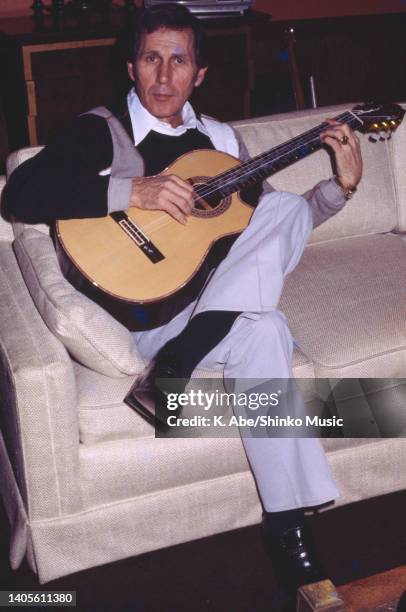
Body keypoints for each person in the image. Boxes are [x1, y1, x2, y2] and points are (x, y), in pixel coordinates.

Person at [2, 4, 362, 596]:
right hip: (145, 317)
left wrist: (337, 192)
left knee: (275, 229)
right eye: (151, 58)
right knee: (266, 318)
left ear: (200, 74)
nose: (164, 77)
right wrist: (133, 190)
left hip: (202, 323)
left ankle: (289, 534)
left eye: (179, 61)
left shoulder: (222, 141)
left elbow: (269, 238)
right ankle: (182, 364)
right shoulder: (103, 130)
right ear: (131, 67)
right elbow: (22, 191)